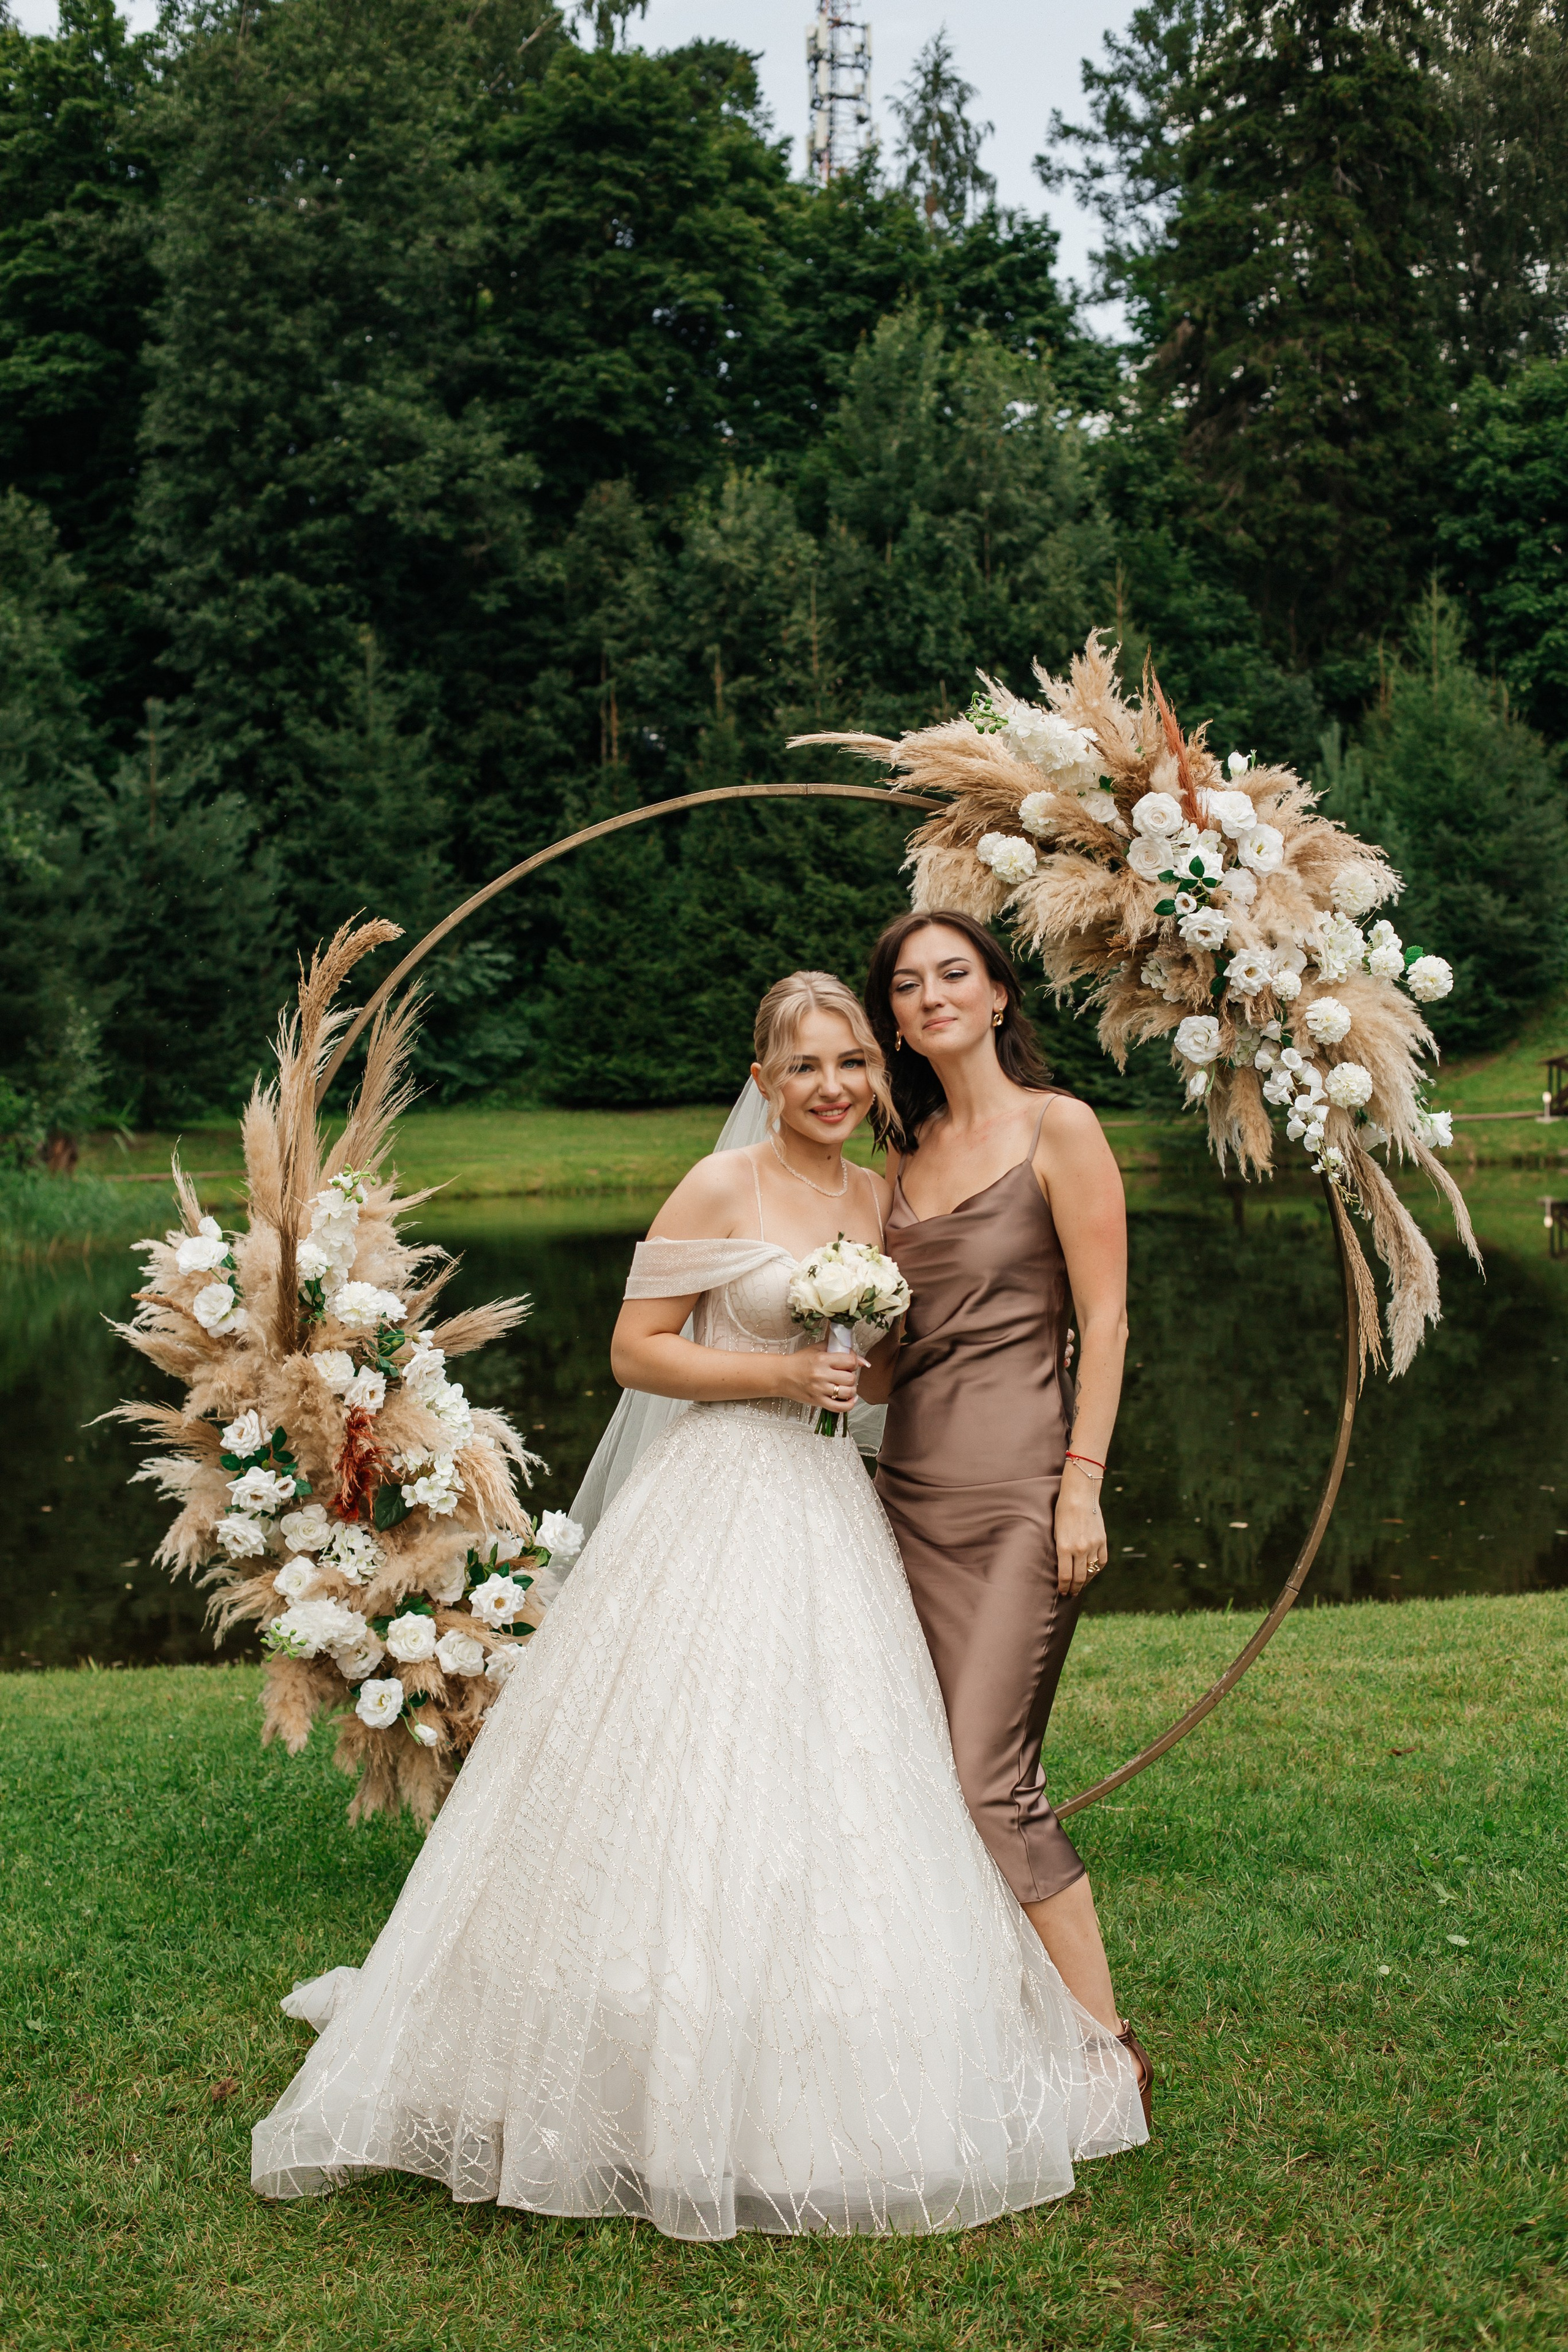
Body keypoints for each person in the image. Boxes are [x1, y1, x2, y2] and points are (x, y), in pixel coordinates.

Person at [251, 970, 1147, 2236]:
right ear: (761, 1079)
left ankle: (824, 2032)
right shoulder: (720, 1186)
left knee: (835, 1765)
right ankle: (630, 2036)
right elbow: (636, 1348)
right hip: (716, 1493)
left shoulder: (875, 1196)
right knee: (679, 1754)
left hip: (830, 1500)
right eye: (803, 1066)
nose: (830, 1085)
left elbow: (890, 1356)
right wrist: (779, 1365)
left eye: (849, 1062)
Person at [858, 911, 1153, 2125]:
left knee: (990, 1780)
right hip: (901, 1496)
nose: (929, 997)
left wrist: (1078, 1480)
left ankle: (1104, 2049)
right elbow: (887, 1361)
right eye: (907, 986)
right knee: (912, 1773)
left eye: (951, 976)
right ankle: (968, 2016)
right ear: (893, 1020)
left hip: (1023, 1497)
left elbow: (1109, 1319)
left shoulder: (1058, 1128)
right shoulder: (897, 1160)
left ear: (993, 997)